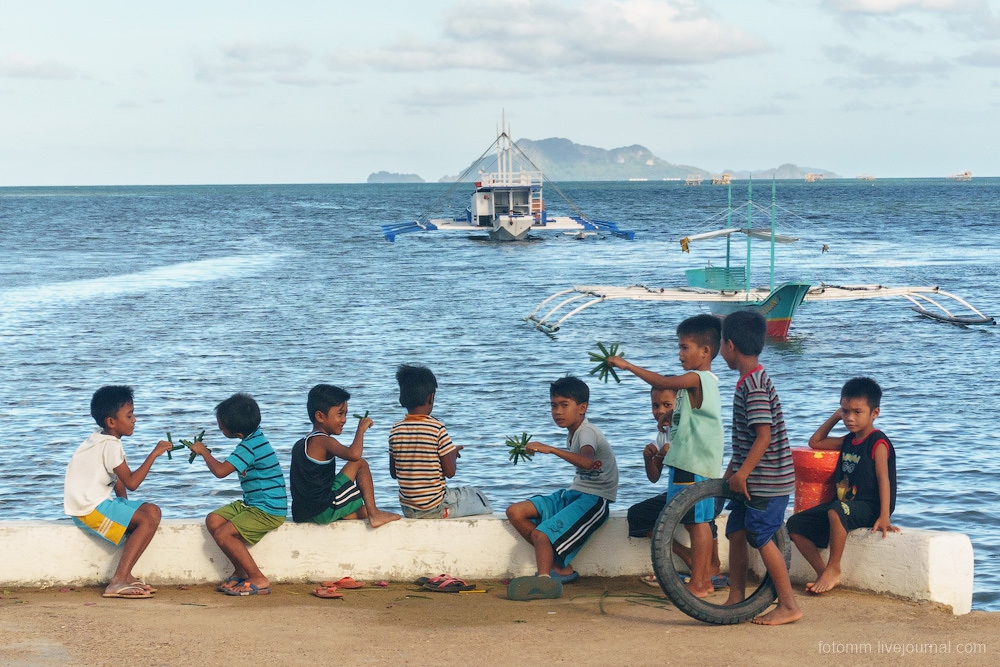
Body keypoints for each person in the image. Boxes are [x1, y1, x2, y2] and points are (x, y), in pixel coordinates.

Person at [607, 313, 724, 598]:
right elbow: (697, 416)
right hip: (700, 464)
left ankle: (699, 582)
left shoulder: (696, 378)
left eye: (685, 347)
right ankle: (704, 579)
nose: (680, 353)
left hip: (690, 463)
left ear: (705, 351)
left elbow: (662, 380)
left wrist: (626, 365)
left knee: (697, 523)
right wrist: (671, 415)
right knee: (700, 522)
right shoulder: (704, 384)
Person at [718, 310, 801, 625]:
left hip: (766, 481)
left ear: (730, 345)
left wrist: (741, 474)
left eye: (720, 346)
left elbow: (763, 436)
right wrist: (729, 476)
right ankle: (736, 595)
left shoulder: (752, 386)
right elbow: (745, 441)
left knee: (762, 536)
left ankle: (789, 605)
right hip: (752, 477)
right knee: (737, 531)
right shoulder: (751, 380)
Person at [505, 376, 619, 601]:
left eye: (564, 405)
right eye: (553, 405)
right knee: (515, 512)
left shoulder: (587, 432)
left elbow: (587, 461)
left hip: (594, 500)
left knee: (541, 534)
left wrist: (551, 449)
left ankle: (544, 581)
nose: (557, 411)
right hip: (575, 493)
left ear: (582, 408)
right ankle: (561, 568)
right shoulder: (573, 432)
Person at [787, 376, 898, 596]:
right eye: (845, 411)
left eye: (857, 412)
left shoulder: (878, 443)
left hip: (870, 505)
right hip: (845, 506)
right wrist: (835, 417)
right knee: (795, 524)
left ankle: (834, 567)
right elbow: (815, 442)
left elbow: (884, 479)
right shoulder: (849, 440)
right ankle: (824, 572)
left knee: (836, 508)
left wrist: (884, 515)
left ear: (874, 413)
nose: (850, 417)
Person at [63, 385, 173, 599]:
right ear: (111, 422)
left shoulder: (102, 438)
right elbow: (132, 482)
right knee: (146, 521)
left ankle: (126, 574)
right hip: (89, 509)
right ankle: (118, 581)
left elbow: (119, 482)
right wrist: (154, 454)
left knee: (152, 511)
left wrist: (124, 509)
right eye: (129, 415)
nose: (134, 420)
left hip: (96, 501)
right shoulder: (111, 445)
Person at [186, 392, 287, 596]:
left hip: (268, 508)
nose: (219, 427)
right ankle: (241, 570)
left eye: (221, 425)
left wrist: (204, 452)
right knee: (214, 520)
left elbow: (221, 472)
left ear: (235, 431)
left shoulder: (248, 447)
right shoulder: (255, 439)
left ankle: (257, 576)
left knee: (224, 534)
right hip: (253, 503)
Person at [626, 387, 724, 588]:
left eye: (666, 405)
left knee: (702, 517)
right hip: (678, 491)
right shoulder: (663, 434)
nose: (660, 411)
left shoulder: (690, 428)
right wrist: (649, 458)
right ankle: (687, 556)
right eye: (655, 405)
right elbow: (654, 477)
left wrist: (675, 452)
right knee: (638, 515)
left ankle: (711, 566)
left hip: (706, 488)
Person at [388, 364, 492, 519]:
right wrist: (453, 454)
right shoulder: (437, 428)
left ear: (401, 399)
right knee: (478, 497)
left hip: (408, 509)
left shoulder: (395, 431)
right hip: (436, 507)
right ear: (431, 398)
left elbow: (394, 473)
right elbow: (450, 472)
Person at [290, 383, 400, 528]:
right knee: (360, 463)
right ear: (320, 416)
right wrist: (360, 430)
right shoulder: (324, 441)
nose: (344, 420)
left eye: (346, 414)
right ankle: (374, 514)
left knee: (361, 510)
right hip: (322, 508)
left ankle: (360, 513)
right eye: (340, 414)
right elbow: (354, 455)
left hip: (302, 512)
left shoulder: (301, 443)